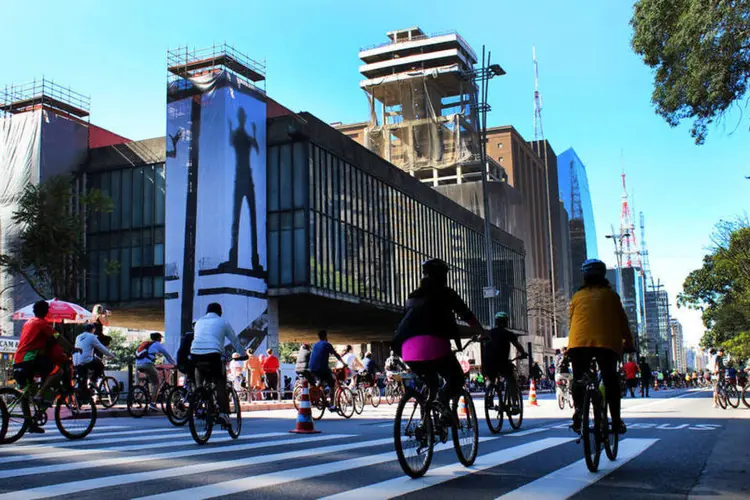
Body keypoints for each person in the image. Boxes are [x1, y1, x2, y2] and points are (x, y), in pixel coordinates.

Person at [393, 258, 484, 418]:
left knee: (431, 381)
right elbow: (467, 315)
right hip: (435, 345)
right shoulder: (447, 293)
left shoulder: (412, 296)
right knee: (456, 379)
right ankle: (442, 400)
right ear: (443, 275)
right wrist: (483, 332)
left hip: (407, 348)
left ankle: (426, 424)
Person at [567, 259, 635, 435]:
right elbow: (623, 322)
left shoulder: (577, 296)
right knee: (610, 379)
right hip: (607, 344)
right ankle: (617, 420)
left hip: (578, 344)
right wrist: (629, 342)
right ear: (603, 275)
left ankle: (579, 413)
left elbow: (572, 321)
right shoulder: (611, 296)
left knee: (578, 379)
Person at [13, 300, 79, 433]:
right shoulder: (42, 324)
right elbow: (58, 337)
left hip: (18, 359)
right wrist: (72, 348)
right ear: (46, 312)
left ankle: (30, 424)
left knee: (25, 394)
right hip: (29, 359)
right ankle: (41, 394)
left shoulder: (28, 323)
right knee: (58, 371)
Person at [191, 303, 244, 424]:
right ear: (220, 312)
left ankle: (199, 395)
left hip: (195, 353)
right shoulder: (223, 322)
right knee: (220, 382)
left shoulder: (199, 322)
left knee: (199, 369)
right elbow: (235, 341)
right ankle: (223, 413)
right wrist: (243, 353)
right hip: (213, 354)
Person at [482, 312, 528, 394]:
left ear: (496, 322)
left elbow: (480, 338)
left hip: (488, 363)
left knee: (491, 378)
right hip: (502, 363)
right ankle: (514, 402)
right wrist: (523, 353)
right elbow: (518, 346)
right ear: (506, 322)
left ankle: (489, 394)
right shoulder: (508, 334)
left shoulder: (489, 333)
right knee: (511, 378)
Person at [309, 330, 348, 410]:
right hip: (322, 368)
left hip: (312, 368)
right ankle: (332, 405)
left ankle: (319, 395)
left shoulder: (315, 345)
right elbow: (336, 354)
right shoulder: (327, 344)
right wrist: (344, 363)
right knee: (332, 384)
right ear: (326, 336)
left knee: (321, 380)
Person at [135, 332, 176, 405]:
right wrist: (175, 364)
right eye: (160, 338)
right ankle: (153, 403)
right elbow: (167, 355)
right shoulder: (158, 345)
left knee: (140, 381)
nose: (161, 339)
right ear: (158, 338)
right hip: (147, 364)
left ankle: (136, 395)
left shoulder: (146, 344)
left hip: (137, 365)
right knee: (156, 384)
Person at [73, 323, 114, 391]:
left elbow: (85, 348)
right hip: (85, 361)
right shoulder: (92, 337)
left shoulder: (78, 336)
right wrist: (111, 355)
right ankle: (93, 380)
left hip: (76, 361)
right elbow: (101, 348)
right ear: (93, 330)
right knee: (100, 365)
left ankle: (83, 397)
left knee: (83, 380)